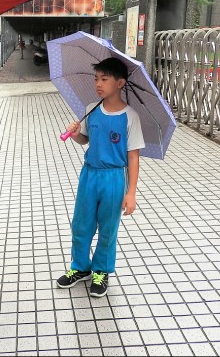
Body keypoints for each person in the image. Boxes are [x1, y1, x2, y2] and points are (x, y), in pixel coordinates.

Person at [56, 57, 145, 298]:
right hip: (90, 175)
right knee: (81, 224)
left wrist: (131, 192)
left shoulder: (130, 117)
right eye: (96, 79)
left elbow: (133, 156)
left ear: (120, 83)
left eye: (104, 79)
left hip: (114, 178)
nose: (98, 84)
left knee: (108, 228)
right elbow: (85, 140)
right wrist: (75, 134)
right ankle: (80, 267)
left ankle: (101, 271)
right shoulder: (90, 110)